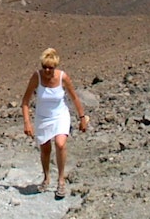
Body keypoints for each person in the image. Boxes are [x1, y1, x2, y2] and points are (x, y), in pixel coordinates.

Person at [21, 48, 89, 199]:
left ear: (55, 67)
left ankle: (61, 180)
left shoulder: (63, 77)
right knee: (45, 149)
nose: (46, 70)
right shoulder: (36, 77)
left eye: (50, 67)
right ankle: (46, 177)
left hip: (60, 116)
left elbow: (74, 97)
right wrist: (27, 122)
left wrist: (82, 117)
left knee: (60, 144)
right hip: (42, 117)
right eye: (44, 66)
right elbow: (25, 101)